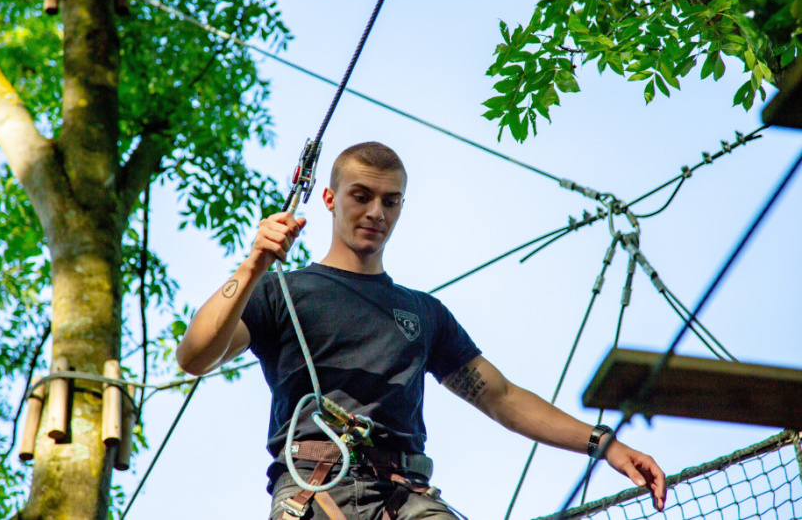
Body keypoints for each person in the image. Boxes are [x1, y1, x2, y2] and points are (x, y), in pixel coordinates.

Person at [176, 142, 667, 519]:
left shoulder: (423, 314)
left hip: (407, 495)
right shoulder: (280, 292)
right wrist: (254, 264)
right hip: (315, 488)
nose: (376, 213)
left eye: (390, 201)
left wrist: (605, 443)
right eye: (361, 196)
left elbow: (501, 396)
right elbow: (194, 356)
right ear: (329, 198)